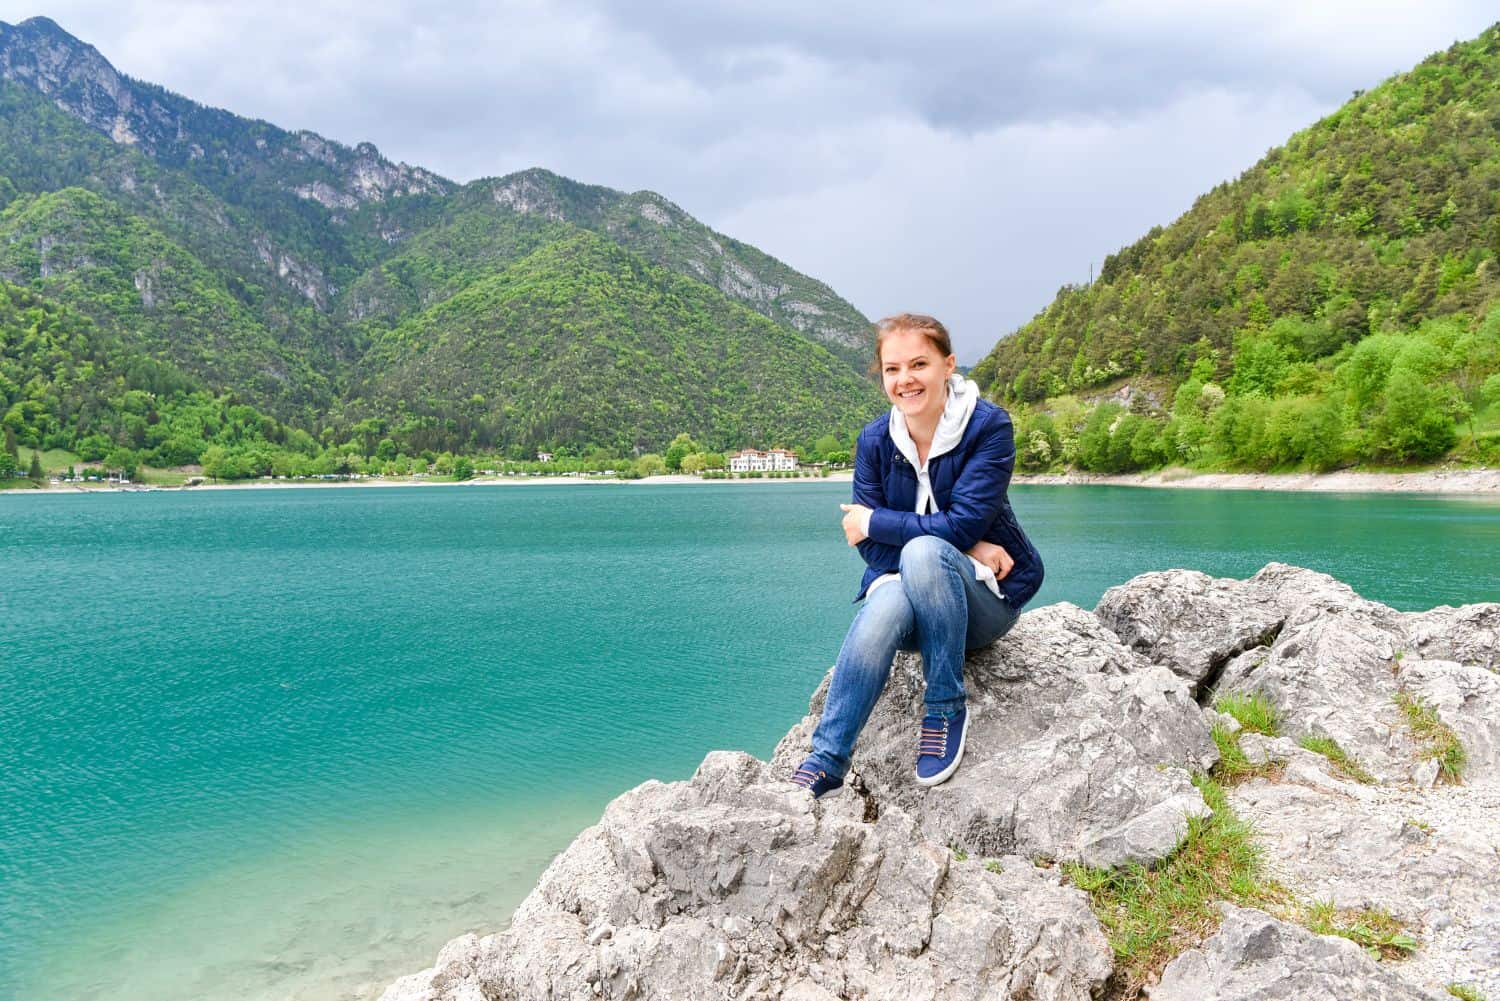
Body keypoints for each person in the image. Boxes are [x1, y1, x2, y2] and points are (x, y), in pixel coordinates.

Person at [790, 314, 1044, 798]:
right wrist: (967, 545)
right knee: (887, 599)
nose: (905, 379)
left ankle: (946, 706)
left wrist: (875, 520)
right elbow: (871, 550)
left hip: (985, 605)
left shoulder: (988, 428)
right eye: (892, 369)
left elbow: (952, 522)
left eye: (919, 364)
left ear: (948, 365)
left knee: (927, 551)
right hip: (915, 597)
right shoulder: (874, 441)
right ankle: (826, 759)